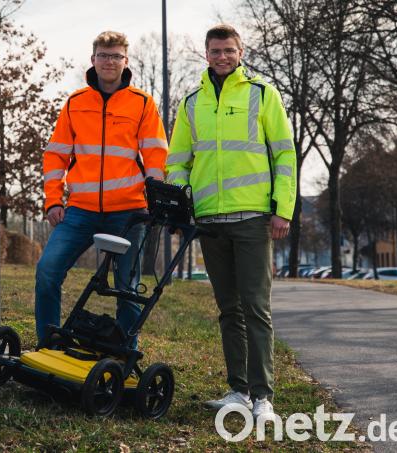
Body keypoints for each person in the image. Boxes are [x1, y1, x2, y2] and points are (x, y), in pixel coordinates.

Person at [166, 24, 296, 419]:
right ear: (206, 54)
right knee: (228, 309)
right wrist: (182, 206)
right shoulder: (191, 103)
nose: (222, 57)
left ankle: (262, 397)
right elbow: (177, 162)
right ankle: (238, 391)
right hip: (210, 220)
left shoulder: (263, 94)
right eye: (215, 51)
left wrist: (283, 208)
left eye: (228, 50)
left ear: (240, 53)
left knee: (256, 307)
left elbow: (284, 154)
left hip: (253, 218)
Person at [36, 31, 168, 349]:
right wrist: (53, 200)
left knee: (127, 289)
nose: (109, 62)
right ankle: (49, 346)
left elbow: (155, 156)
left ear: (126, 61)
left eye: (116, 56)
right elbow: (55, 155)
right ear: (93, 59)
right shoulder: (75, 103)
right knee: (47, 271)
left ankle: (123, 356)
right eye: (104, 55)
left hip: (129, 212)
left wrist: (155, 203)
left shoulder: (142, 103)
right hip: (79, 211)